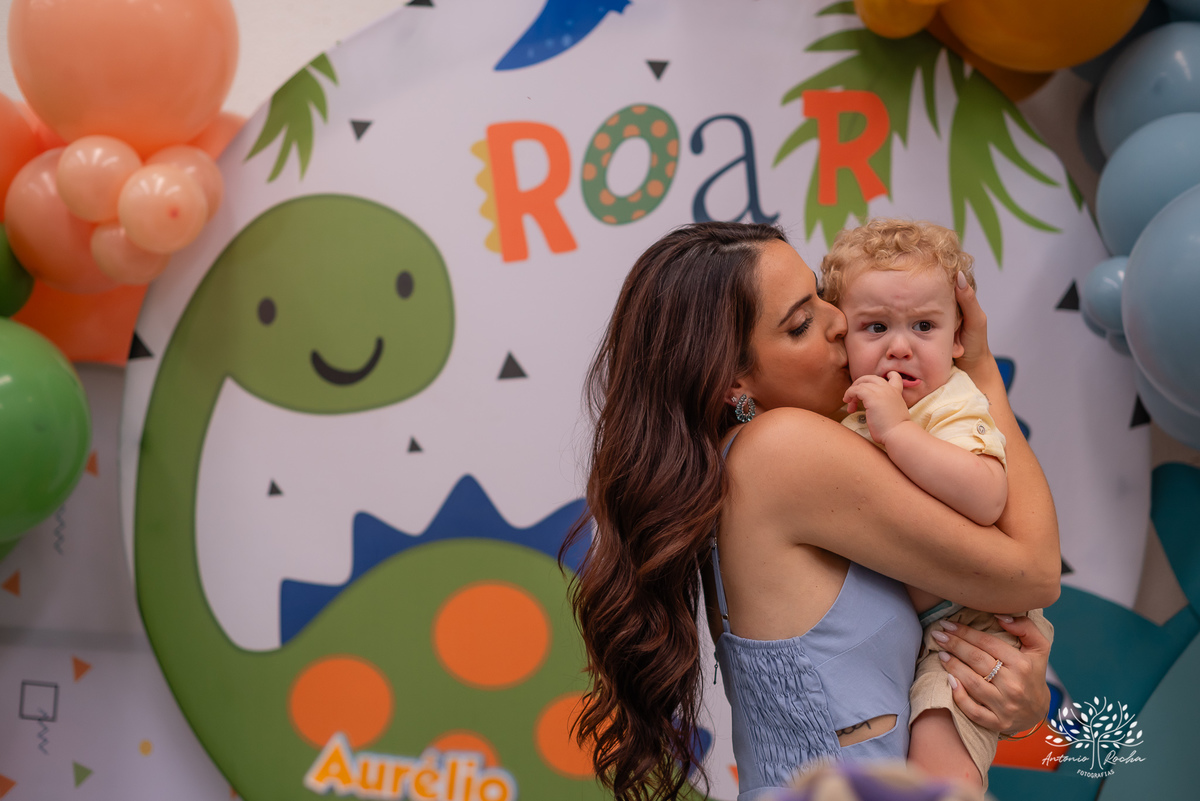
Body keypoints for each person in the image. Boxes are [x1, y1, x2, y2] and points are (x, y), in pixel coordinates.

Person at [563, 222, 1060, 801]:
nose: (839, 322)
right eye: (801, 324)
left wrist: (1009, 700)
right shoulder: (783, 449)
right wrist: (978, 371)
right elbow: (1034, 570)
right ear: (733, 381)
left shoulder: (761, 458)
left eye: (823, 296)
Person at [820, 219, 1055, 789]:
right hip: (920, 625)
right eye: (875, 327)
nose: (899, 345)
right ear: (840, 337)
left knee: (938, 765)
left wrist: (900, 434)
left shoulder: (951, 403)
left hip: (975, 625)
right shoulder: (844, 412)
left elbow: (986, 495)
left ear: (957, 339)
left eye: (923, 326)